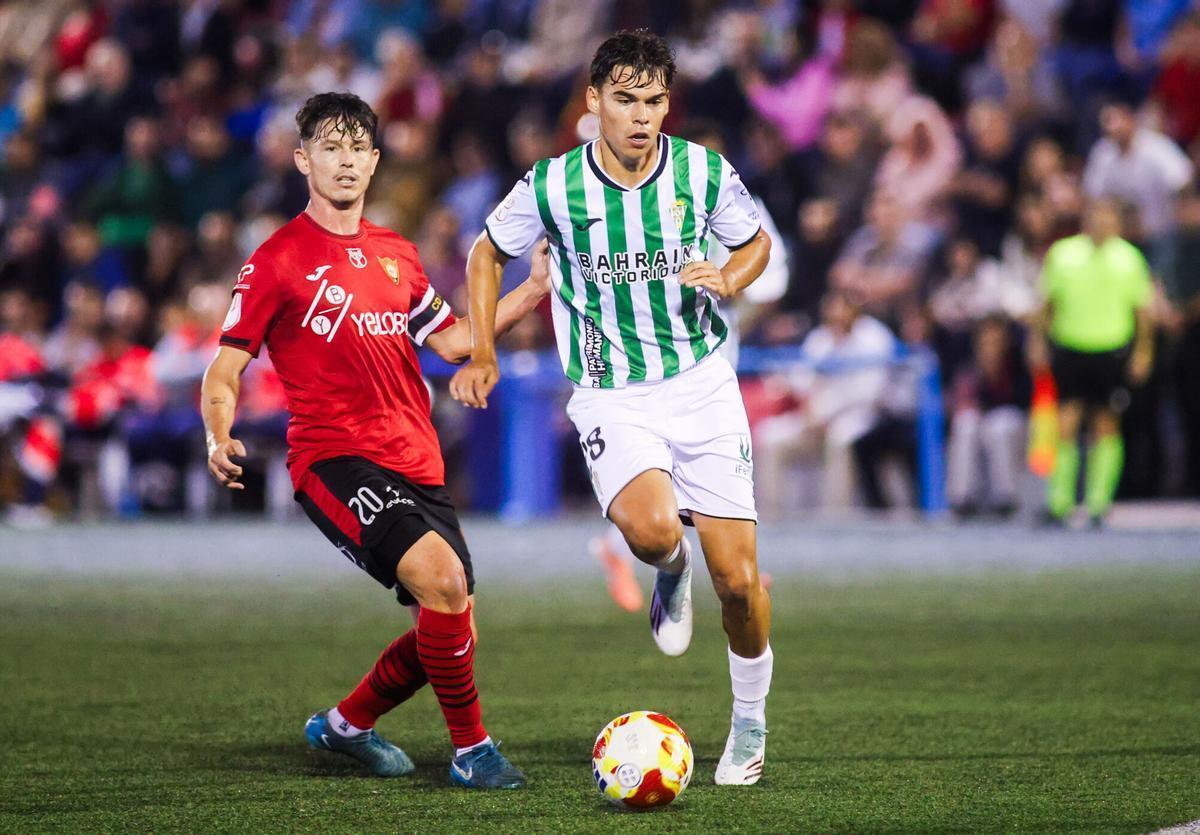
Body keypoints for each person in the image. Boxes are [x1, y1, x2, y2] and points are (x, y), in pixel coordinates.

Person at [200, 92, 551, 789]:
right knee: (445, 584)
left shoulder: (397, 254)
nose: (346, 160)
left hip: (415, 461)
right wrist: (219, 431)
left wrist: (534, 287)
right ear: (304, 159)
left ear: (375, 161)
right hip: (334, 459)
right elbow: (224, 366)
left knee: (449, 624)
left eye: (358, 147)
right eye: (331, 147)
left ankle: (344, 726)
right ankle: (472, 751)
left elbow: (454, 341)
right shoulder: (275, 260)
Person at [455, 30, 774, 786]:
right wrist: (484, 349)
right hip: (612, 390)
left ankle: (750, 722)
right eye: (625, 99)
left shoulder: (701, 171)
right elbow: (485, 254)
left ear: (670, 104)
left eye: (654, 100)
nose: (640, 116)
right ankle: (668, 567)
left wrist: (730, 277)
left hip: (699, 382)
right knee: (654, 528)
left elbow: (755, 242)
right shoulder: (551, 186)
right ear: (593, 101)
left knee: (740, 581)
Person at [1029, 198, 1155, 527]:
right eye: (1095, 216)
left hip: (1111, 349)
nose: (1101, 223)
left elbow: (1142, 313)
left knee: (1106, 424)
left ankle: (1099, 504)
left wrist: (1143, 352)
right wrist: (1038, 342)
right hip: (1071, 348)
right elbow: (1046, 305)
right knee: (1065, 423)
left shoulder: (1129, 259)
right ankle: (1060, 502)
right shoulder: (1063, 254)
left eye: (1107, 217)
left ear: (1116, 222)